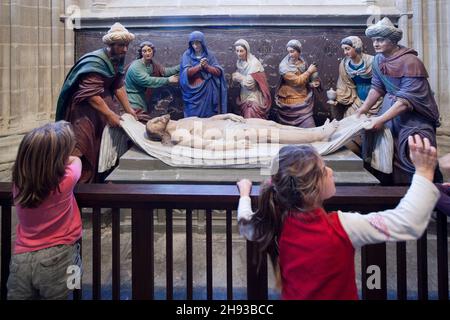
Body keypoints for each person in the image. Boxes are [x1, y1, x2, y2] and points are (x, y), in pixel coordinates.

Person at [236, 135, 439, 300]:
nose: (331, 171)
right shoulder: (344, 227)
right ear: (310, 190)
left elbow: (247, 226)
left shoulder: (278, 220)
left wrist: (245, 195)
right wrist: (424, 172)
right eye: (324, 170)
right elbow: (407, 221)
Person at [356, 17, 441, 185]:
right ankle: (389, 193)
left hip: (414, 115)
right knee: (384, 150)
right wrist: (363, 109)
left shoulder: (411, 62)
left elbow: (406, 100)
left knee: (411, 150)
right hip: (390, 110)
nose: (376, 44)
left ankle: (416, 193)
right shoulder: (378, 60)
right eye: (374, 40)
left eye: (381, 40)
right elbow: (377, 87)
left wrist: (380, 119)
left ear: (393, 41)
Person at [7, 122, 83, 300]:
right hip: (62, 255)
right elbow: (77, 161)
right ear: (60, 158)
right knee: (70, 289)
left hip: (21, 259)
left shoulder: (19, 184)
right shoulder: (66, 180)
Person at [55, 22, 137, 183]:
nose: (125, 49)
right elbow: (91, 95)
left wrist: (129, 110)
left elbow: (118, 84)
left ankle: (99, 184)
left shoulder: (117, 58)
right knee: (83, 147)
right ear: (110, 45)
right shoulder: (95, 61)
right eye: (121, 45)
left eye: (126, 45)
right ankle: (79, 188)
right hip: (85, 112)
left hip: (102, 110)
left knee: (102, 146)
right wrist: (110, 114)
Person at [145, 113, 338, 151]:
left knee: (273, 124)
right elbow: (207, 144)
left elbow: (207, 120)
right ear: (161, 132)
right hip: (231, 135)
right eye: (155, 122)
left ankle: (315, 129)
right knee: (272, 135)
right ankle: (319, 136)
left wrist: (227, 115)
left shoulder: (180, 121)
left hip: (230, 124)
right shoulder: (179, 135)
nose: (157, 118)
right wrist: (233, 145)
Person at [180, 31, 228, 118]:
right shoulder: (186, 55)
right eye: (193, 43)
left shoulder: (209, 55)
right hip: (192, 93)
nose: (195, 46)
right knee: (192, 117)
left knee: (208, 117)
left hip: (207, 90)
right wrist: (199, 67)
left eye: (197, 43)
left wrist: (207, 67)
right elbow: (185, 74)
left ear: (202, 42)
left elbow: (218, 72)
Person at [274, 39, 320, 128]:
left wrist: (312, 83)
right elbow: (297, 82)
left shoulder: (302, 61)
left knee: (310, 127)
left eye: (292, 51)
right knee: (288, 132)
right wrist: (309, 71)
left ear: (299, 51)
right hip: (290, 100)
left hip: (303, 100)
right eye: (289, 52)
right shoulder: (284, 67)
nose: (290, 54)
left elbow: (306, 80)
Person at [125, 41, 180, 115]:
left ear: (153, 52)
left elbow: (165, 72)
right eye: (144, 51)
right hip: (133, 99)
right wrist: (168, 80)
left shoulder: (151, 64)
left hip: (143, 98)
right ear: (141, 53)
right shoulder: (136, 66)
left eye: (149, 50)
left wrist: (181, 66)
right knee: (137, 119)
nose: (147, 53)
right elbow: (147, 80)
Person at [335, 36, 382, 118]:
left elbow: (383, 82)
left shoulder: (373, 61)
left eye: (347, 49)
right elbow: (344, 84)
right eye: (344, 49)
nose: (345, 52)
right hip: (356, 100)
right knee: (349, 121)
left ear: (356, 47)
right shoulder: (344, 64)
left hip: (376, 100)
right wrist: (338, 95)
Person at [232, 39, 272, 119]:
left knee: (251, 114)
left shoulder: (254, 63)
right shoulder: (239, 62)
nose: (239, 54)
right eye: (237, 51)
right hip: (244, 94)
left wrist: (239, 77)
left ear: (247, 51)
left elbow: (250, 84)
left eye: (241, 51)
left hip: (254, 96)